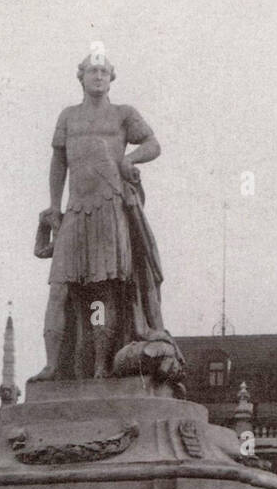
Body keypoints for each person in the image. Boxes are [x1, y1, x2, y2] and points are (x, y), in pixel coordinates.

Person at [31, 52, 182, 385]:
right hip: (75, 210)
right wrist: (54, 206)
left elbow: (153, 144)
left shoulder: (123, 114)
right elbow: (58, 163)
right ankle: (52, 366)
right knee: (59, 289)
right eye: (91, 71)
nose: (97, 76)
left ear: (111, 77)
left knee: (102, 292)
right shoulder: (68, 116)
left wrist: (131, 158)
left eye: (103, 71)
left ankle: (101, 366)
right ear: (81, 77)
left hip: (109, 208)